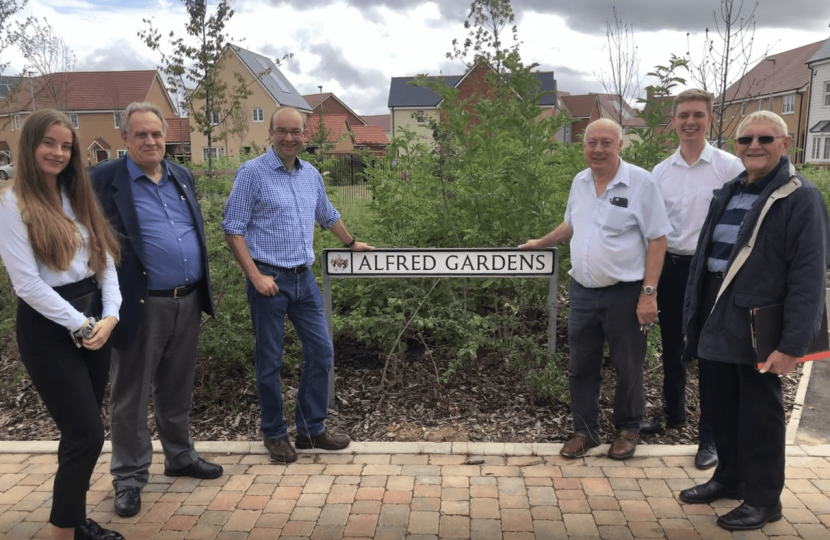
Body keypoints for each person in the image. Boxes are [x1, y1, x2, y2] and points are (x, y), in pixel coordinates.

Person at [679, 111, 830, 531]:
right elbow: (705, 261)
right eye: (745, 139)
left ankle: (764, 501)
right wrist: (692, 316)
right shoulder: (729, 190)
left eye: (766, 138)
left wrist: (793, 344)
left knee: (758, 415)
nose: (754, 146)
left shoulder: (800, 198)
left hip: (757, 323)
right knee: (719, 406)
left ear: (785, 144)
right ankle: (729, 478)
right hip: (715, 313)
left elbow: (809, 277)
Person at [90, 102, 222, 518]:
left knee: (176, 387)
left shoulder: (181, 175)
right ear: (126, 139)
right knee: (130, 393)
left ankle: (180, 455)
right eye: (141, 134)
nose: (150, 141)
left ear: (166, 137)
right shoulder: (102, 180)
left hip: (187, 300)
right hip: (138, 304)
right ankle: (128, 477)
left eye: (157, 134)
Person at [223, 106, 373, 464]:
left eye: (296, 132)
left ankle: (309, 430)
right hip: (268, 279)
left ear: (305, 135)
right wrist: (256, 277)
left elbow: (327, 215)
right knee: (270, 362)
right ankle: (274, 434)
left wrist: (352, 244)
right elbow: (233, 229)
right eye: (282, 131)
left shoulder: (310, 175)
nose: (290, 138)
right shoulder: (252, 174)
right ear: (270, 134)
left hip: (303, 279)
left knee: (321, 353)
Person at [0, 109, 123, 540]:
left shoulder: (77, 195)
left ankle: (73, 518)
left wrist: (111, 316)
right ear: (30, 145)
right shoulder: (13, 205)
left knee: (80, 434)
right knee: (86, 434)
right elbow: (27, 285)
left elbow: (104, 260)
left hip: (94, 318)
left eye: (66, 145)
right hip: (49, 327)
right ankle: (62, 531)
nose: (58, 152)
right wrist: (84, 325)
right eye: (48, 143)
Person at [520, 118, 671, 460]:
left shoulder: (641, 183)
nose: (598, 149)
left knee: (628, 364)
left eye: (606, 142)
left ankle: (628, 428)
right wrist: (541, 242)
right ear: (583, 146)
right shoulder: (580, 181)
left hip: (626, 292)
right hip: (583, 291)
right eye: (591, 143)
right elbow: (573, 223)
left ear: (620, 145)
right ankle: (585, 430)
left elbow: (658, 238)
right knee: (581, 364)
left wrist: (649, 293)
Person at [647, 89, 745, 470]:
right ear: (673, 120)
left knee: (709, 353)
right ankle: (675, 414)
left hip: (711, 272)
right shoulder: (660, 172)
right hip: (671, 268)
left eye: (698, 115)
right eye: (683, 115)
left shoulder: (729, 167)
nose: (690, 122)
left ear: (710, 119)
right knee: (672, 347)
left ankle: (710, 437)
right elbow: (653, 229)